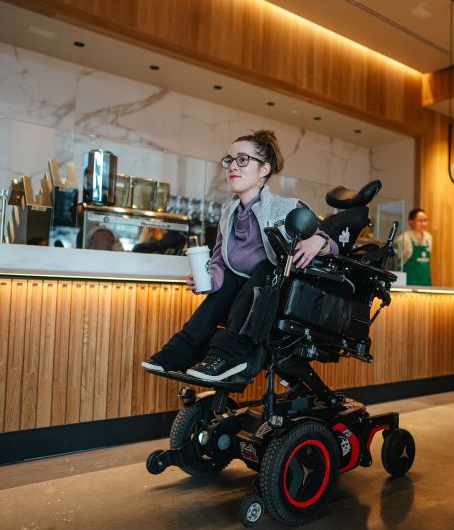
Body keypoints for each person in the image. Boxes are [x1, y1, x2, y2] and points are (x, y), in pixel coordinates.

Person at [142, 130, 338, 382]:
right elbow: (219, 261)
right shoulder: (228, 214)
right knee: (228, 285)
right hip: (241, 295)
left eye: (242, 160)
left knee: (266, 267)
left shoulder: (287, 208)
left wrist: (317, 241)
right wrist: (210, 278)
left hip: (278, 295)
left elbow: (333, 246)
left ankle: (230, 355)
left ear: (264, 170)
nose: (232, 166)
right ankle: (182, 351)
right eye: (229, 160)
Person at [395, 208, 433, 286]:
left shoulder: (429, 237)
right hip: (408, 285)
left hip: (426, 284)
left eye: (425, 220)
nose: (424, 224)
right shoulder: (403, 238)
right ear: (411, 221)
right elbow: (397, 265)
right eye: (420, 221)